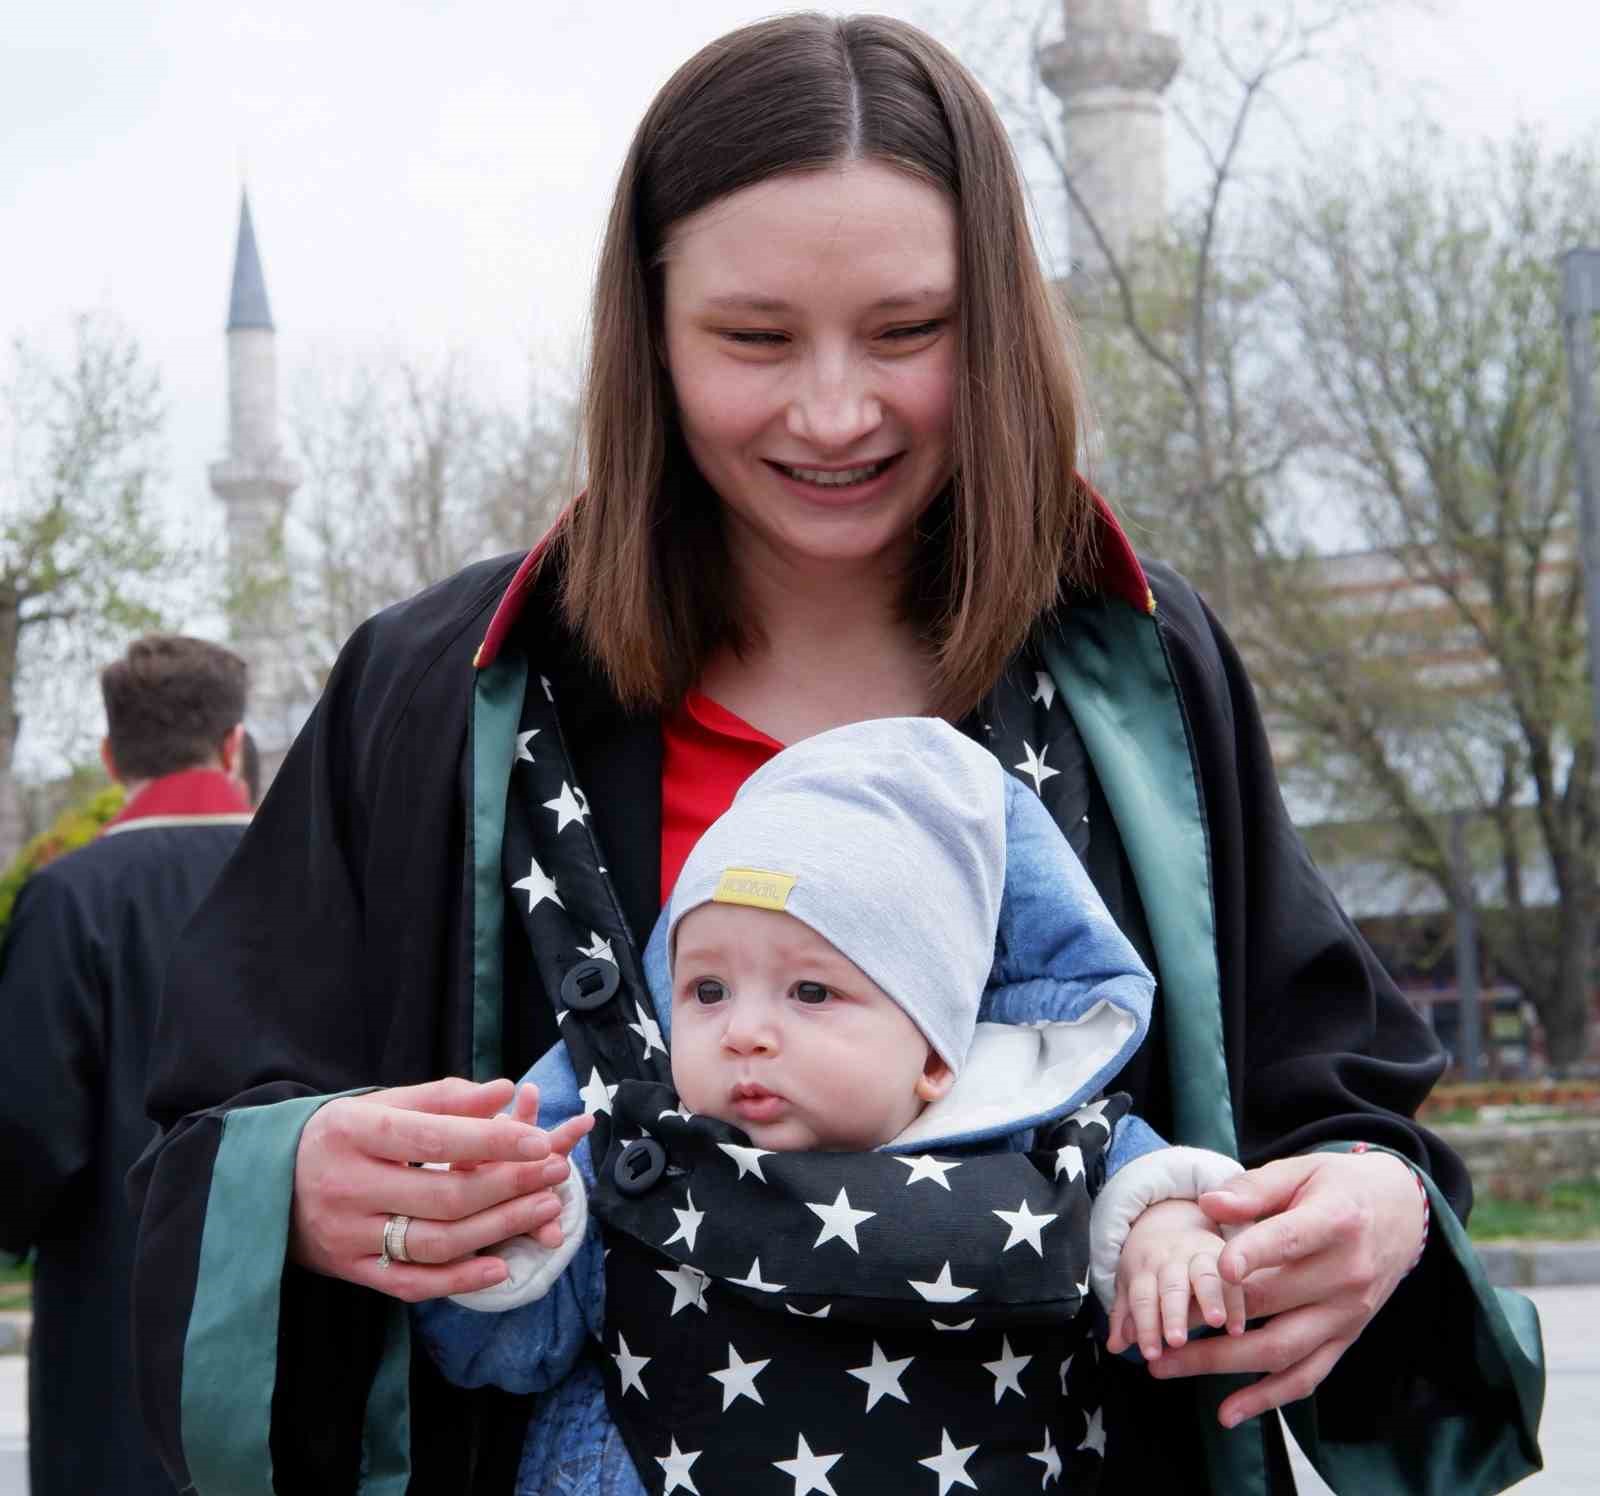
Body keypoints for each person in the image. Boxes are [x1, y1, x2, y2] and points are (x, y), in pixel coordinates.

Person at [129, 13, 1543, 1495]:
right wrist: (301, 1185)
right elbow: (210, 1143)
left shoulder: (1138, 667)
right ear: (649, 332)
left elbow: (1326, 1097)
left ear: (994, 321)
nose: (832, 410)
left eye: (907, 332)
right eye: (752, 338)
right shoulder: (442, 692)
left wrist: (1369, 1209)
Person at [415, 716, 1250, 1494]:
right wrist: (509, 1237)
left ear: (933, 1050)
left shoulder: (1064, 1147)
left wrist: (1171, 1242)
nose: (744, 1032)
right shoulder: (639, 1162)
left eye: (810, 990)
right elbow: (501, 1355)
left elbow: (1189, 1320)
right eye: (706, 989)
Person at [0, 635, 251, 1496]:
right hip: (288, 1319)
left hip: (113, 1323)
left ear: (111, 756)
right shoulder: (307, 875)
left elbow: (27, 1125)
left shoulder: (70, 898)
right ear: (232, 743)